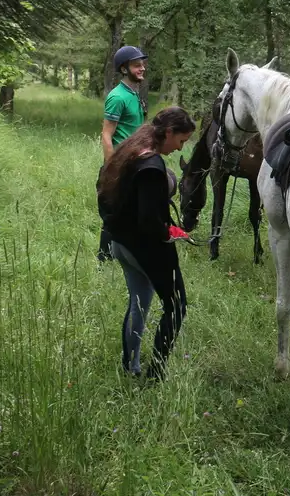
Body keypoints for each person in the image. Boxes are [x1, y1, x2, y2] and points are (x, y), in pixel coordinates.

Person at [98, 106, 197, 381]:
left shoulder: (131, 149)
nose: (180, 149)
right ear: (168, 133)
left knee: (139, 302)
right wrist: (172, 233)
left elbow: (106, 193)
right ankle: (156, 373)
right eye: (181, 141)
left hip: (121, 243)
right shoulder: (152, 167)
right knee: (176, 306)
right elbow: (150, 222)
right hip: (145, 248)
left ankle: (131, 368)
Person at [97, 45, 149, 262]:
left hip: (135, 163)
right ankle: (104, 260)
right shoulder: (118, 97)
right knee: (113, 216)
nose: (142, 68)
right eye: (137, 65)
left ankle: (128, 257)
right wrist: (112, 169)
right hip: (120, 166)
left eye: (142, 64)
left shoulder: (133, 94)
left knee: (132, 214)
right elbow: (106, 134)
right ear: (124, 68)